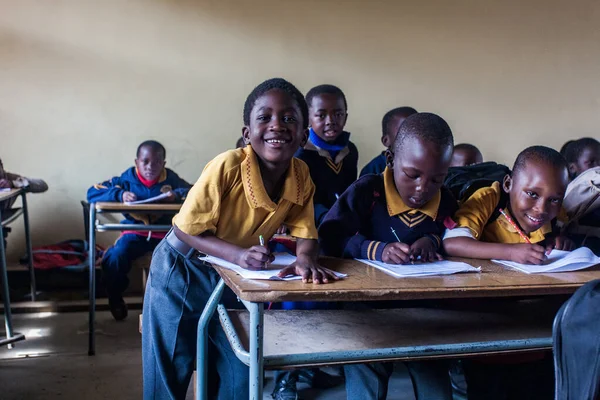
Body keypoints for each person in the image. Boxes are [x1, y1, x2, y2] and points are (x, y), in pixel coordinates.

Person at [141, 78, 339, 400]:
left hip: (236, 277)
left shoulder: (301, 175)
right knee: (171, 362)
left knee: (238, 368)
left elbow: (306, 230)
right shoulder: (227, 167)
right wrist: (237, 255)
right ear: (247, 133)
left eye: (289, 119)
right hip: (182, 270)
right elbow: (184, 229)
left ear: (304, 135)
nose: (278, 126)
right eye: (265, 118)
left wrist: (305, 257)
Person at [320, 112, 457, 400]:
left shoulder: (446, 199)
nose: (423, 188)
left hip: (424, 309)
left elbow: (450, 235)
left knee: (434, 381)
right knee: (366, 373)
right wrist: (376, 249)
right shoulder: (366, 192)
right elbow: (329, 237)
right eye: (413, 175)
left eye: (437, 179)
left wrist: (429, 241)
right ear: (390, 158)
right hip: (366, 308)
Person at [87, 140, 191, 320]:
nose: (151, 167)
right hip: (135, 233)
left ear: (164, 164)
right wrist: (119, 195)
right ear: (137, 162)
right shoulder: (126, 180)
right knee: (115, 257)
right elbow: (92, 193)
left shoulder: (170, 178)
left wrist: (177, 194)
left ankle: (175, 309)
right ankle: (115, 296)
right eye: (145, 161)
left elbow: (193, 190)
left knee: (187, 258)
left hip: (164, 235)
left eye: (157, 162)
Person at [360, 106, 417, 176]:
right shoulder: (372, 170)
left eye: (418, 131)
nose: (414, 137)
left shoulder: (426, 162)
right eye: (404, 133)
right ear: (386, 140)